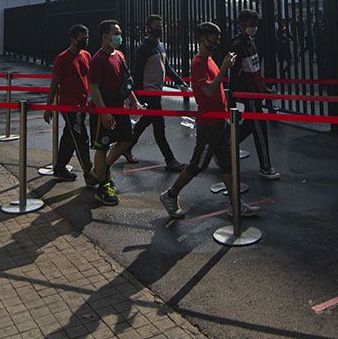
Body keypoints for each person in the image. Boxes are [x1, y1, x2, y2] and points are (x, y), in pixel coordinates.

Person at [160, 22, 258, 219]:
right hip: (208, 123)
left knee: (226, 164)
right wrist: (224, 69)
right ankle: (170, 194)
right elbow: (207, 90)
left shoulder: (210, 60)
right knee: (198, 164)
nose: (216, 42)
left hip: (220, 121)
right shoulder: (198, 63)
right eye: (213, 38)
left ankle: (235, 204)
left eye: (218, 38)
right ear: (202, 39)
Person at [87, 20, 140, 206]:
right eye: (115, 33)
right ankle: (103, 184)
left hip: (120, 109)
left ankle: (102, 169)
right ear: (105, 36)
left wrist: (134, 100)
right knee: (102, 147)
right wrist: (103, 112)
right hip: (104, 112)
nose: (119, 36)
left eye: (119, 32)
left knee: (126, 140)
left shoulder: (119, 55)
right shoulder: (97, 59)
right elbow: (93, 87)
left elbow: (125, 81)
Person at [126, 14, 187, 172]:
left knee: (145, 121)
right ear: (148, 27)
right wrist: (137, 96)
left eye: (161, 26)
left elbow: (166, 67)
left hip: (156, 91)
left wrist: (179, 82)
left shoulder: (160, 45)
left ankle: (126, 146)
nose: (159, 29)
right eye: (156, 26)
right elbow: (137, 72)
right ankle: (170, 159)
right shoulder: (143, 48)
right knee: (159, 126)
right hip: (149, 92)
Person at [226, 8, 280, 179]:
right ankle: (265, 167)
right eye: (252, 24)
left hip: (255, 93)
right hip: (249, 96)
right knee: (260, 130)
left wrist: (264, 89)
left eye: (256, 24)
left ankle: (225, 147)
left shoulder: (250, 42)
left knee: (251, 126)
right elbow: (233, 75)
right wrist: (232, 100)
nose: (255, 27)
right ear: (242, 24)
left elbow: (256, 72)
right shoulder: (238, 46)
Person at [43, 25, 96, 186]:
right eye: (81, 38)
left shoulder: (86, 55)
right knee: (81, 138)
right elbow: (55, 84)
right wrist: (48, 107)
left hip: (82, 103)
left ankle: (60, 168)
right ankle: (89, 171)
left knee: (70, 137)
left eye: (86, 38)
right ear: (72, 39)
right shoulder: (63, 58)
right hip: (70, 106)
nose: (85, 41)